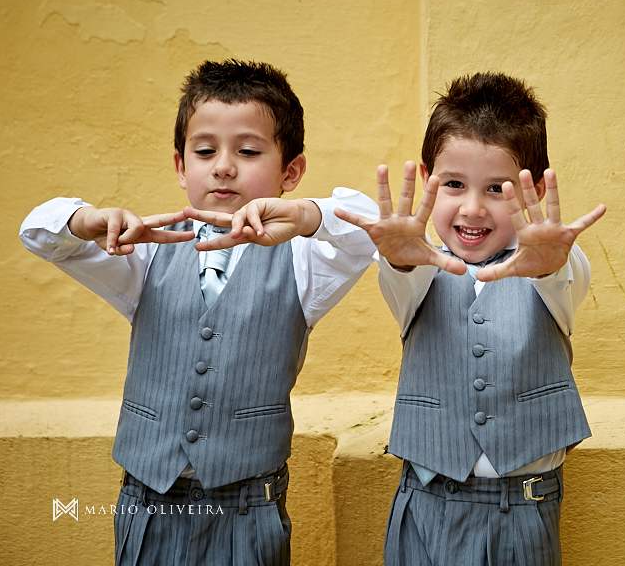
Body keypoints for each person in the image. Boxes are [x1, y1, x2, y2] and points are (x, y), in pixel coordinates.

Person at [19, 59, 377, 566]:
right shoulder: (144, 252)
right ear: (180, 165)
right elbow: (38, 232)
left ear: (291, 171)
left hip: (248, 509)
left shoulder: (303, 260)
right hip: (147, 502)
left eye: (248, 151)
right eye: (205, 151)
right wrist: (84, 220)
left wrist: (306, 215)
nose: (224, 166)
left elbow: (370, 227)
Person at [335, 72, 606, 566]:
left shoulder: (556, 269)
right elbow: (402, 273)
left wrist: (552, 263)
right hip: (425, 503)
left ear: (532, 190)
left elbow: (563, 275)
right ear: (429, 180)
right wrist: (397, 258)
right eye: (454, 185)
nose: (473, 208)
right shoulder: (415, 269)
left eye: (497, 188)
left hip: (523, 511)